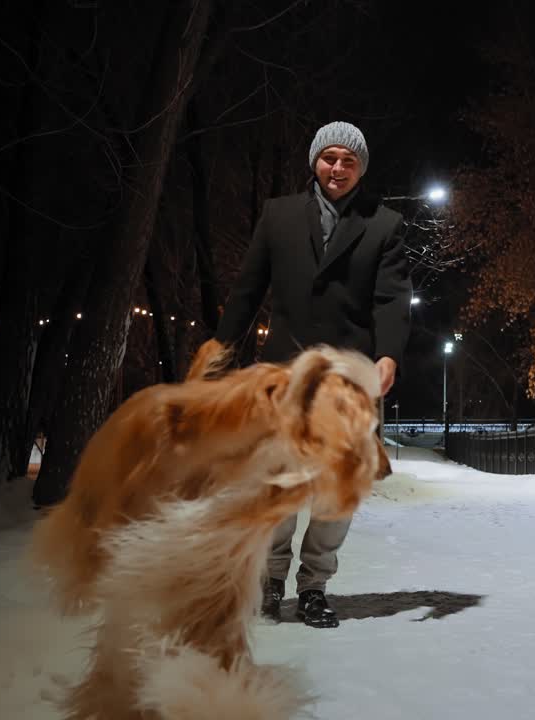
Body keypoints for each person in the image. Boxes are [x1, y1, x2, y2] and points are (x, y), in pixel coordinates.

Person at [215, 121, 412, 628]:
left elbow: (391, 296)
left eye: (349, 161)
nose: (338, 168)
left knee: (337, 487)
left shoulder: (384, 224)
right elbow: (248, 286)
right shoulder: (278, 214)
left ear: (361, 168)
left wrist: (388, 354)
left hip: (351, 378)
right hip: (286, 371)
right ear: (315, 162)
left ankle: (314, 586)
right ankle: (271, 579)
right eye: (330, 158)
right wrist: (221, 346)